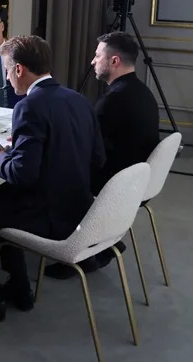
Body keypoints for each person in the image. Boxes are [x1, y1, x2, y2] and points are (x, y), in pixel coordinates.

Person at [0, 36, 105, 321]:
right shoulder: (78, 99)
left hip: (46, 213)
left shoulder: (30, 106)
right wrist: (17, 151)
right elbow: (97, 159)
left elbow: (21, 174)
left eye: (7, 70)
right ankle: (19, 288)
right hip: (78, 206)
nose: (7, 77)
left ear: (19, 69)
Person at [44, 32, 160, 280]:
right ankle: (105, 245)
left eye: (97, 56)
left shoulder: (115, 100)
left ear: (115, 61)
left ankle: (78, 252)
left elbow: (82, 146)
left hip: (113, 182)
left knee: (51, 171)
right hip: (133, 179)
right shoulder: (142, 93)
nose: (92, 62)